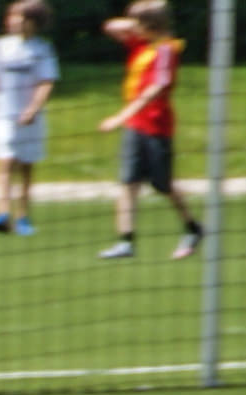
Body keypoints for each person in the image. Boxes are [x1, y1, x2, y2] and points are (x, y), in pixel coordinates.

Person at [96, 0, 204, 258]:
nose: (132, 29)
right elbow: (110, 27)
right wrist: (136, 21)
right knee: (128, 182)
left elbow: (154, 90)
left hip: (156, 126)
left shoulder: (166, 50)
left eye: (139, 24)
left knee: (162, 185)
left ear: (151, 26)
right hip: (136, 125)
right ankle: (126, 241)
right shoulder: (142, 43)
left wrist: (121, 116)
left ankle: (193, 228)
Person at [0, 0, 58, 234]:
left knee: (26, 166)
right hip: (3, 114)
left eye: (18, 16)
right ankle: (1, 214)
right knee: (5, 160)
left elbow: (46, 82)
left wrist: (33, 108)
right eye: (10, 16)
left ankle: (23, 216)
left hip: (30, 118)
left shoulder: (43, 49)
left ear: (33, 22)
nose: (11, 20)